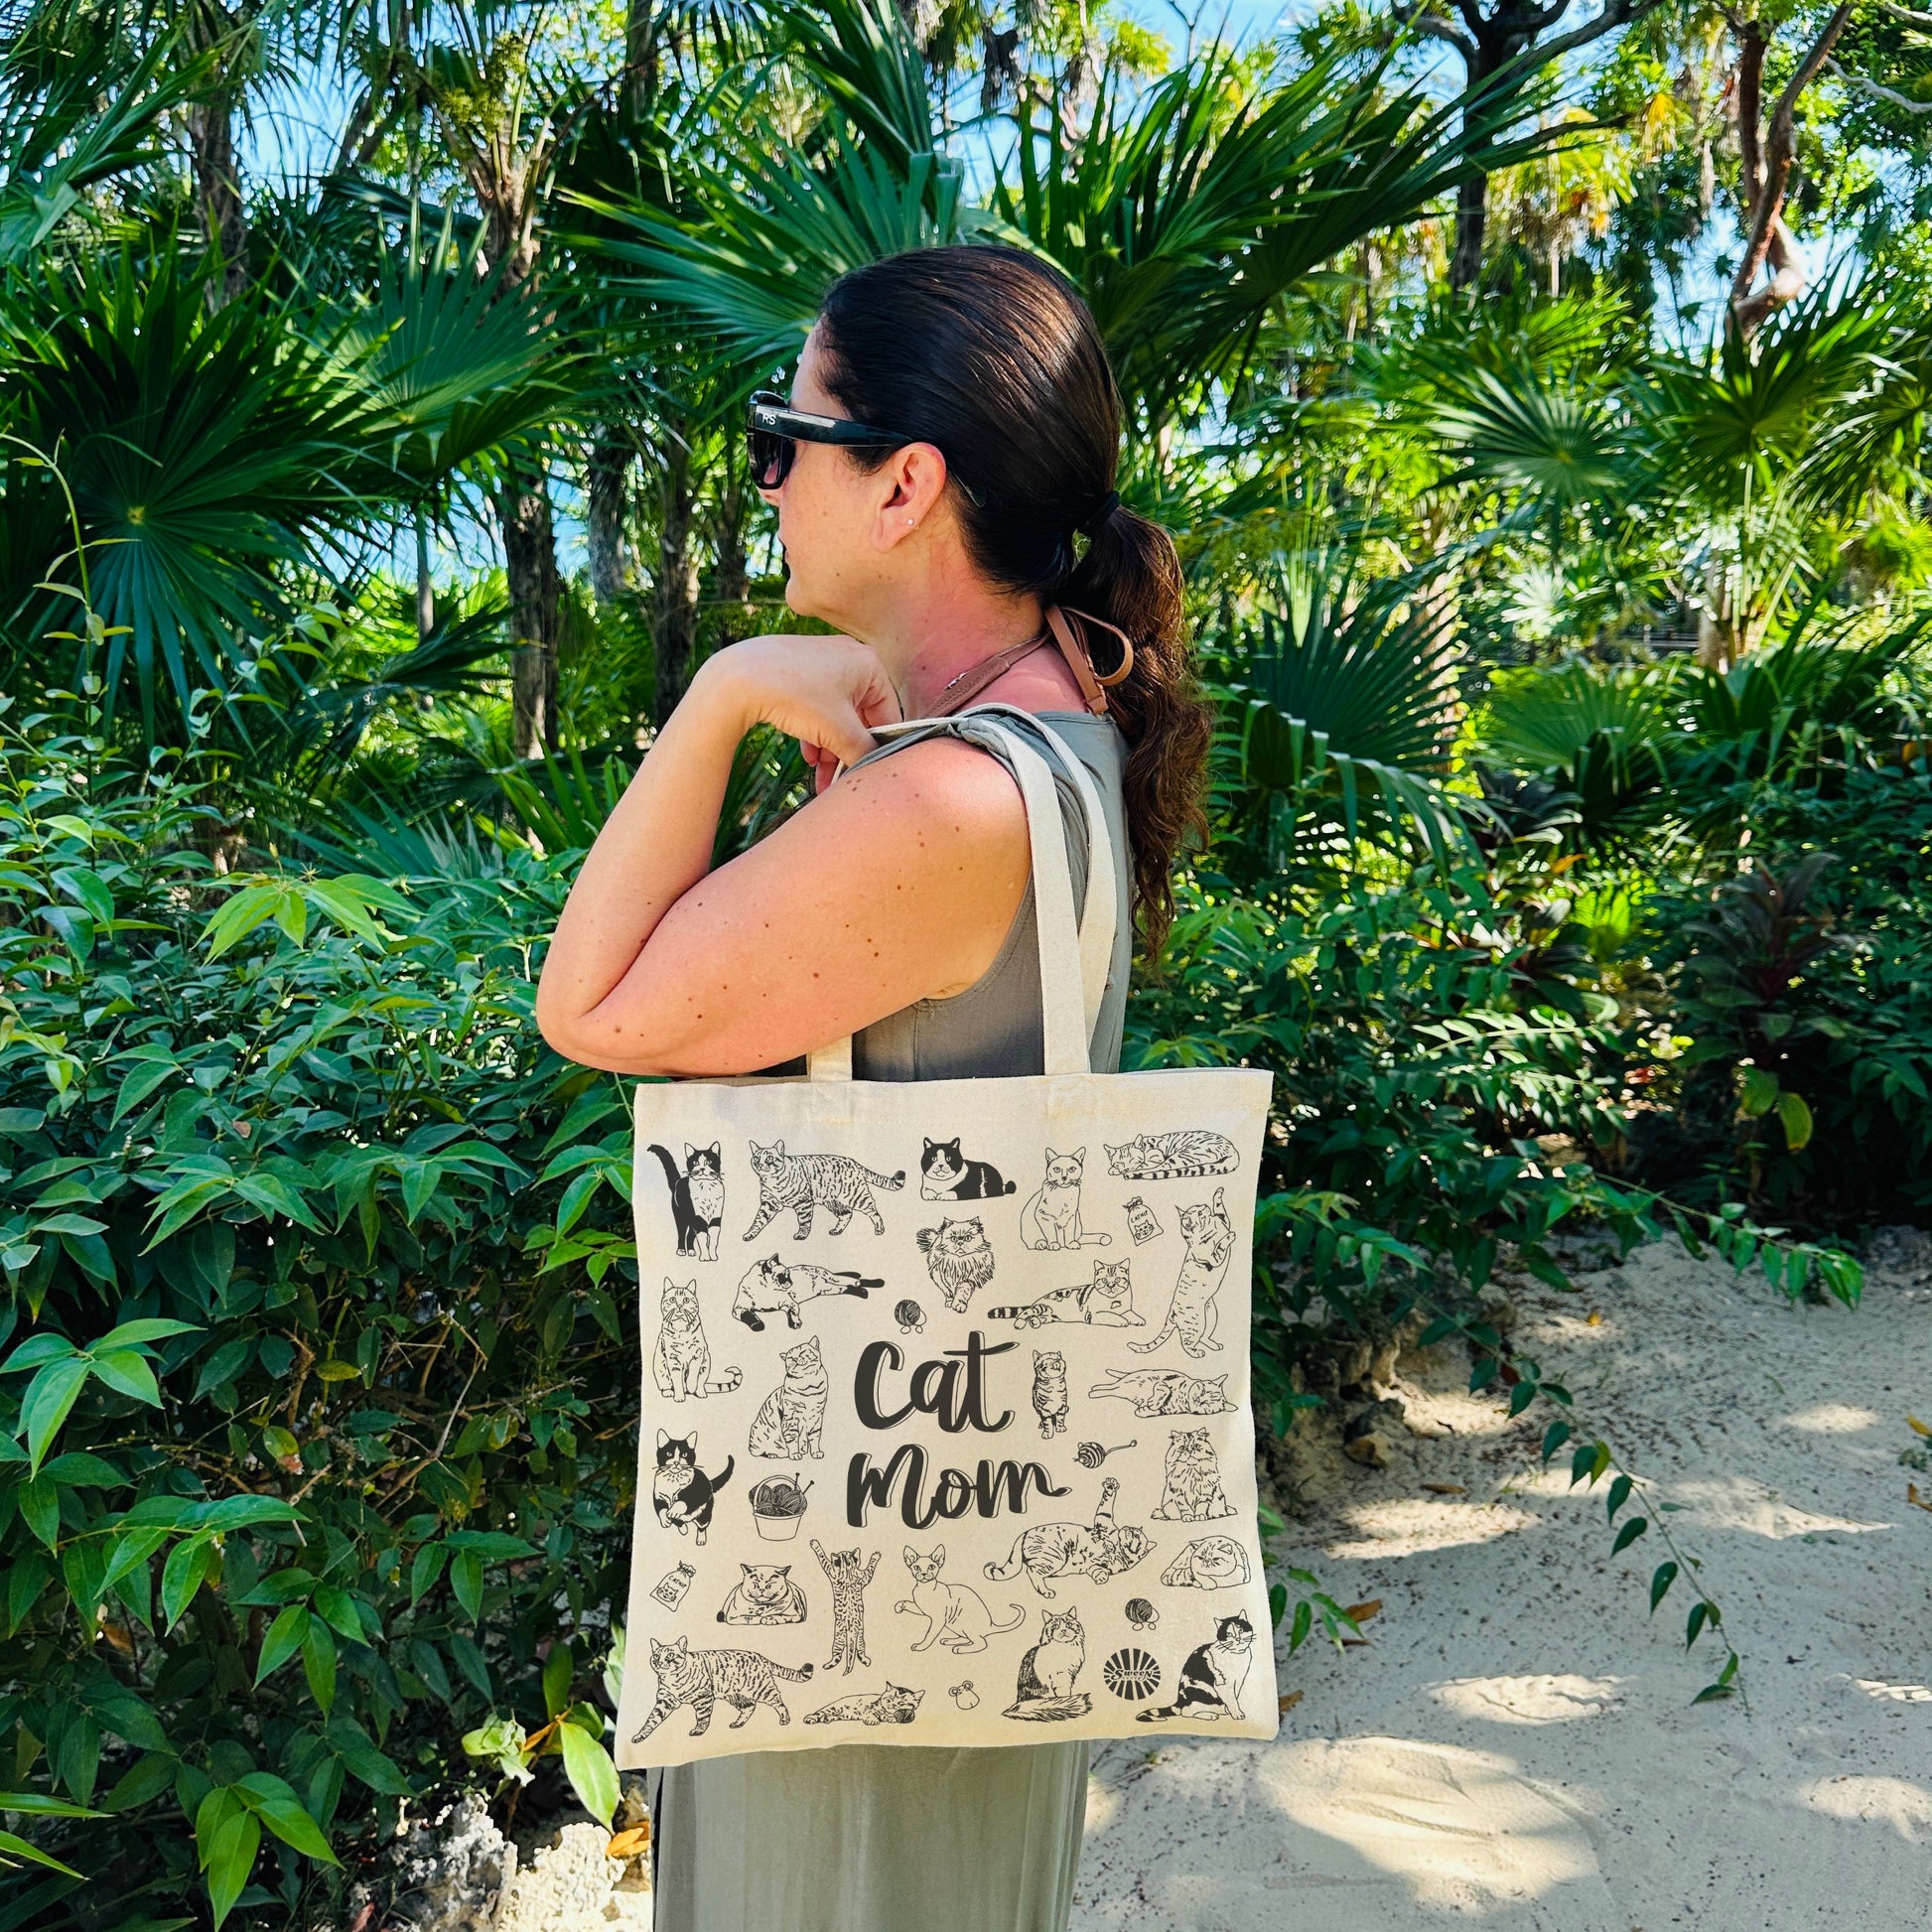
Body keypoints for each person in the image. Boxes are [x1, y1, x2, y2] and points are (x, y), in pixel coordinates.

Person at [535, 243, 1211, 1932]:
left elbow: (592, 1006)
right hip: (968, 1519)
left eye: (786, 433)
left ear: (905, 481)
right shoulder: (1049, 724)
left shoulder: (951, 802)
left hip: (864, 1567)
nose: (766, 477)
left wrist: (714, 699)